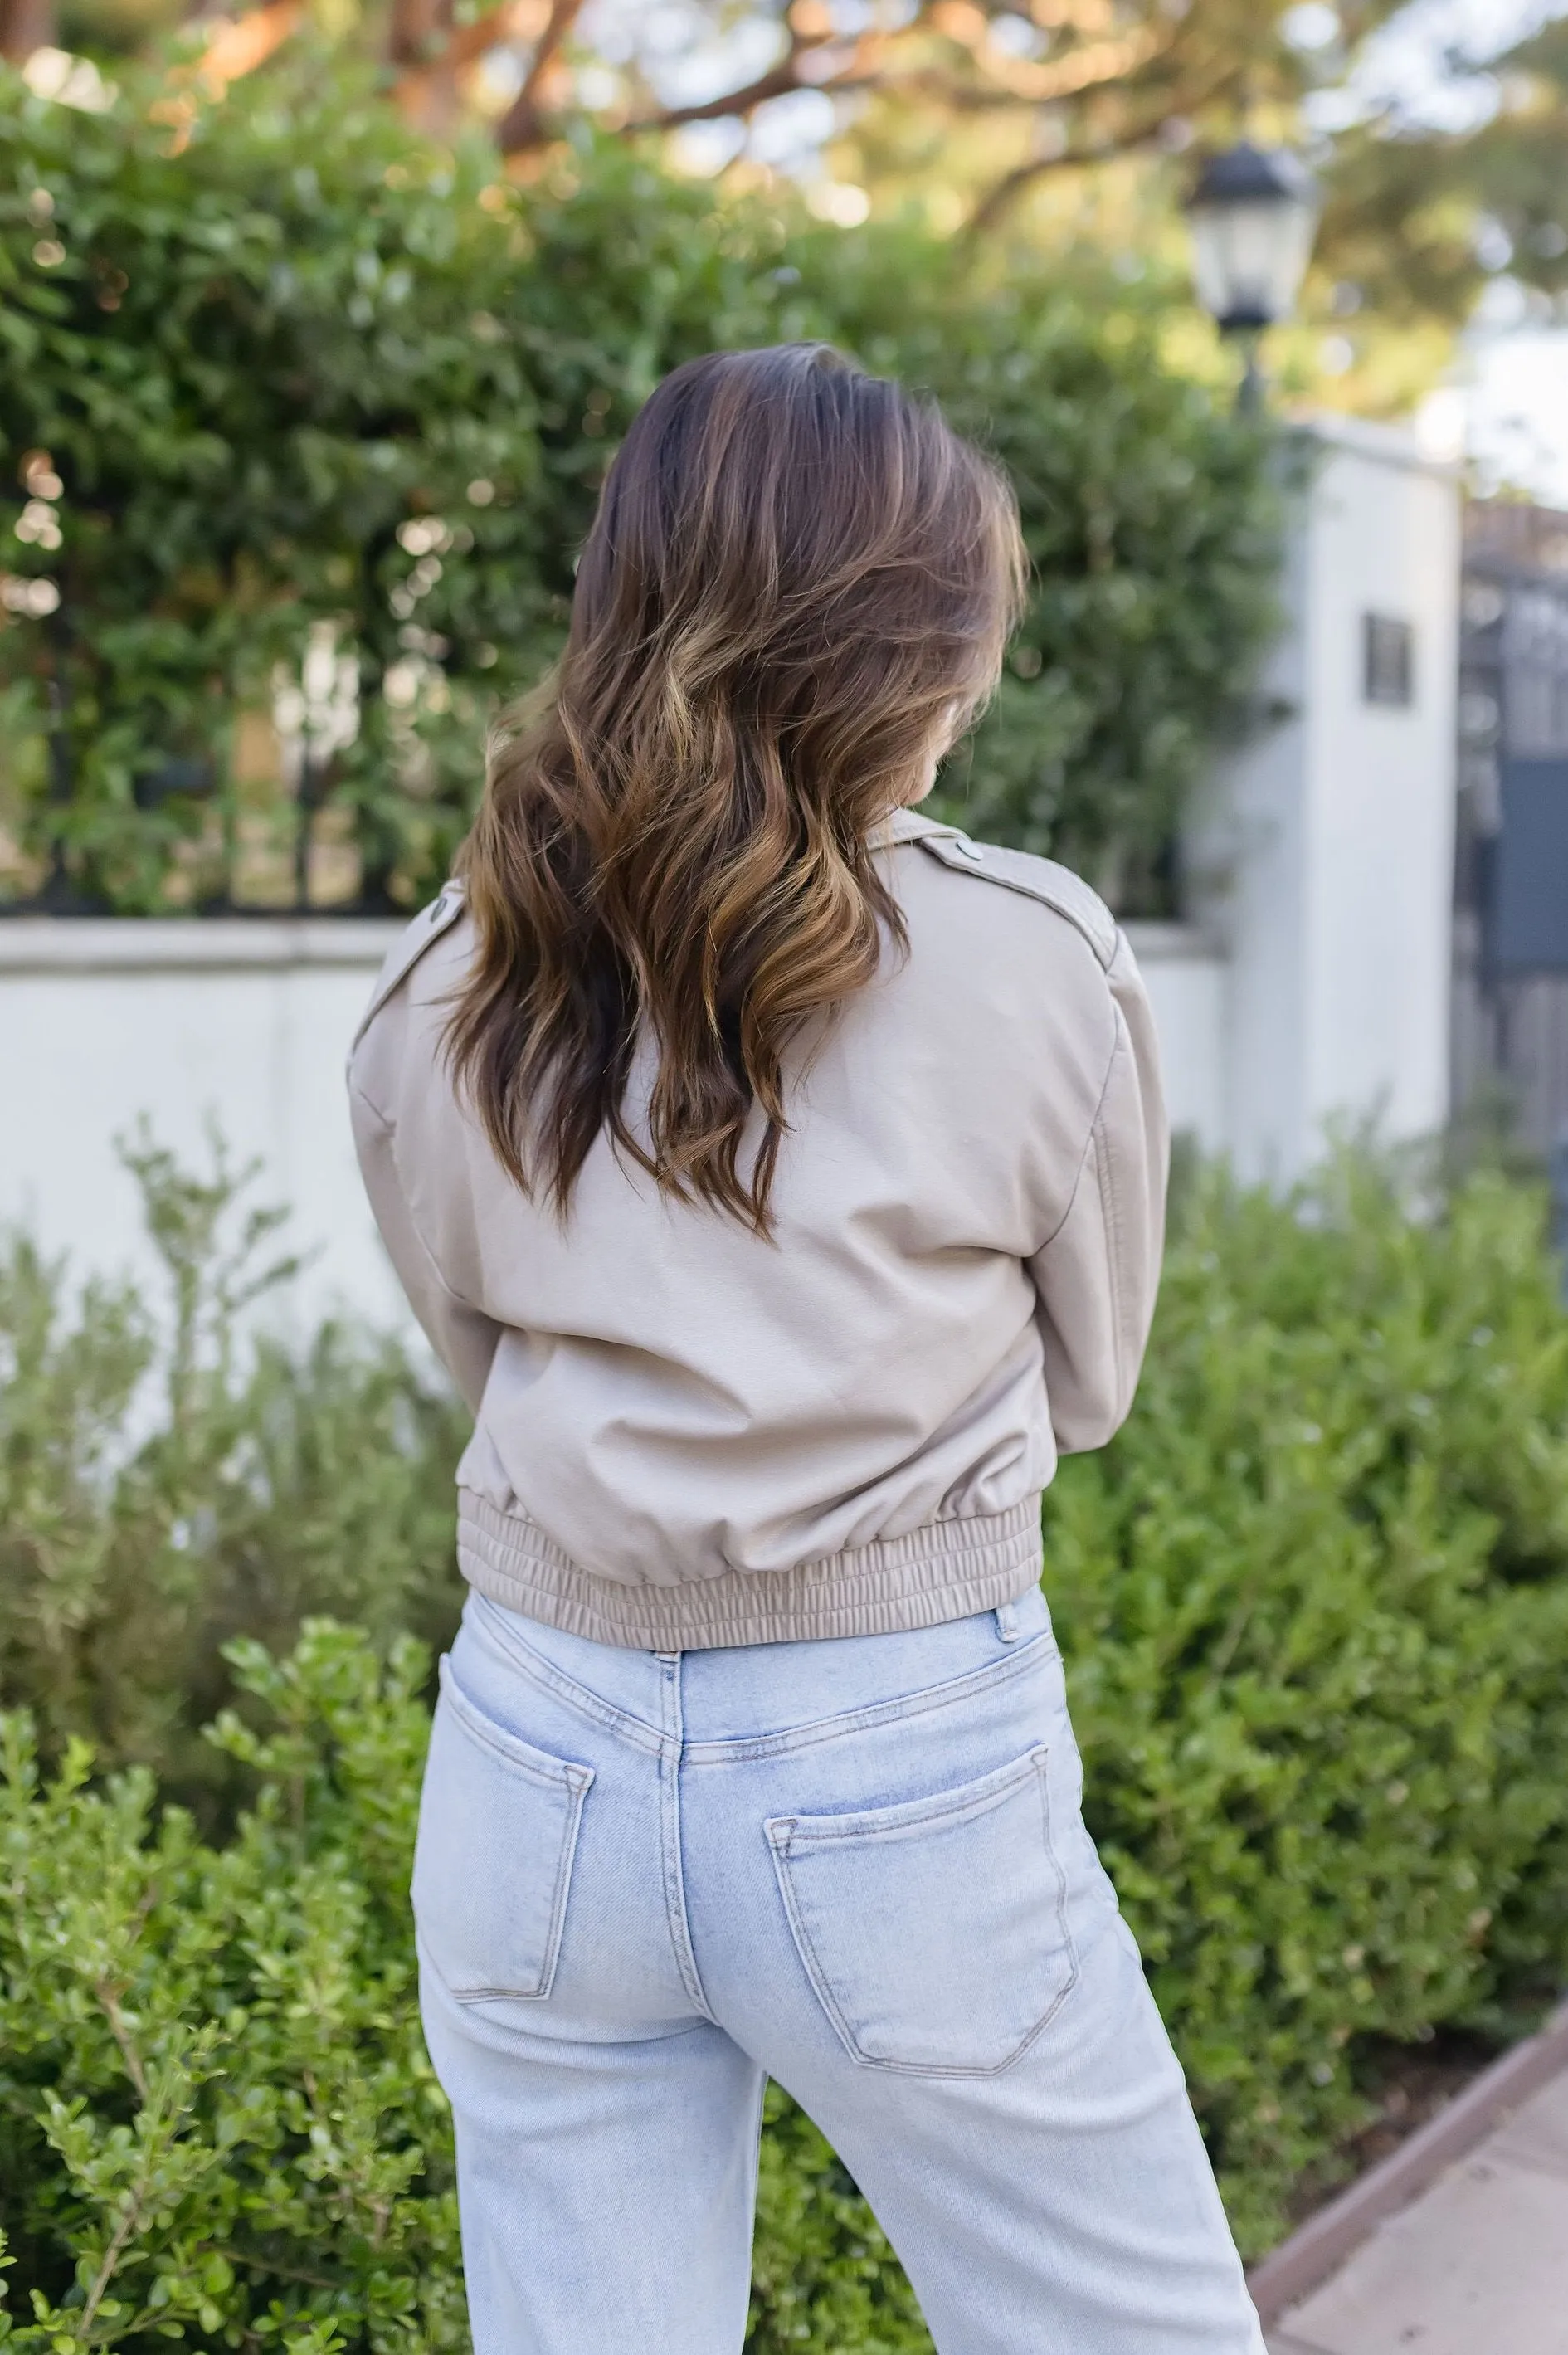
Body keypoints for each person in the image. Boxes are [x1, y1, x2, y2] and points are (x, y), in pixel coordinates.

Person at [348, 341, 1264, 2355]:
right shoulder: (1035, 961)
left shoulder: (441, 979)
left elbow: (473, 1343)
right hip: (895, 1760)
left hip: (532, 1754)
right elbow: (1091, 1376)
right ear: (889, 648)